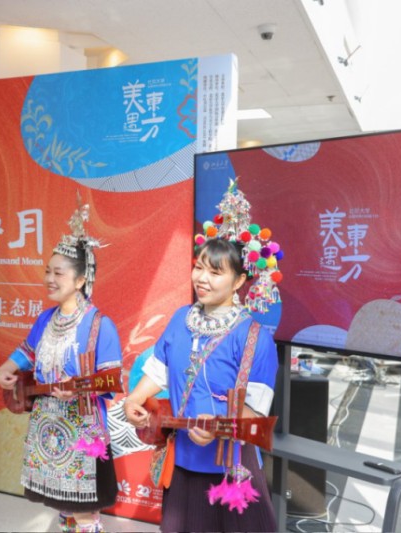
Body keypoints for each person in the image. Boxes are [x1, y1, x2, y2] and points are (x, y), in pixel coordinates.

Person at [124, 180, 282, 532]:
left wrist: (218, 424)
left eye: (215, 272)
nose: (202, 278)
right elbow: (159, 369)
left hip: (231, 467)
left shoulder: (254, 338)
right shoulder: (181, 318)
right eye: (199, 267)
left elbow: (255, 415)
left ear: (239, 282)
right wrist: (135, 398)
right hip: (183, 458)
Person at [0, 197, 121, 533]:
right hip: (48, 426)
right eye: (47, 271)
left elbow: (111, 380)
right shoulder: (45, 318)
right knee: (63, 507)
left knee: (84, 513)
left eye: (58, 273)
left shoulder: (100, 324)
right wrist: (6, 367)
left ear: (80, 280)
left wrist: (80, 389)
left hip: (83, 430)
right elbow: (27, 352)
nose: (49, 278)